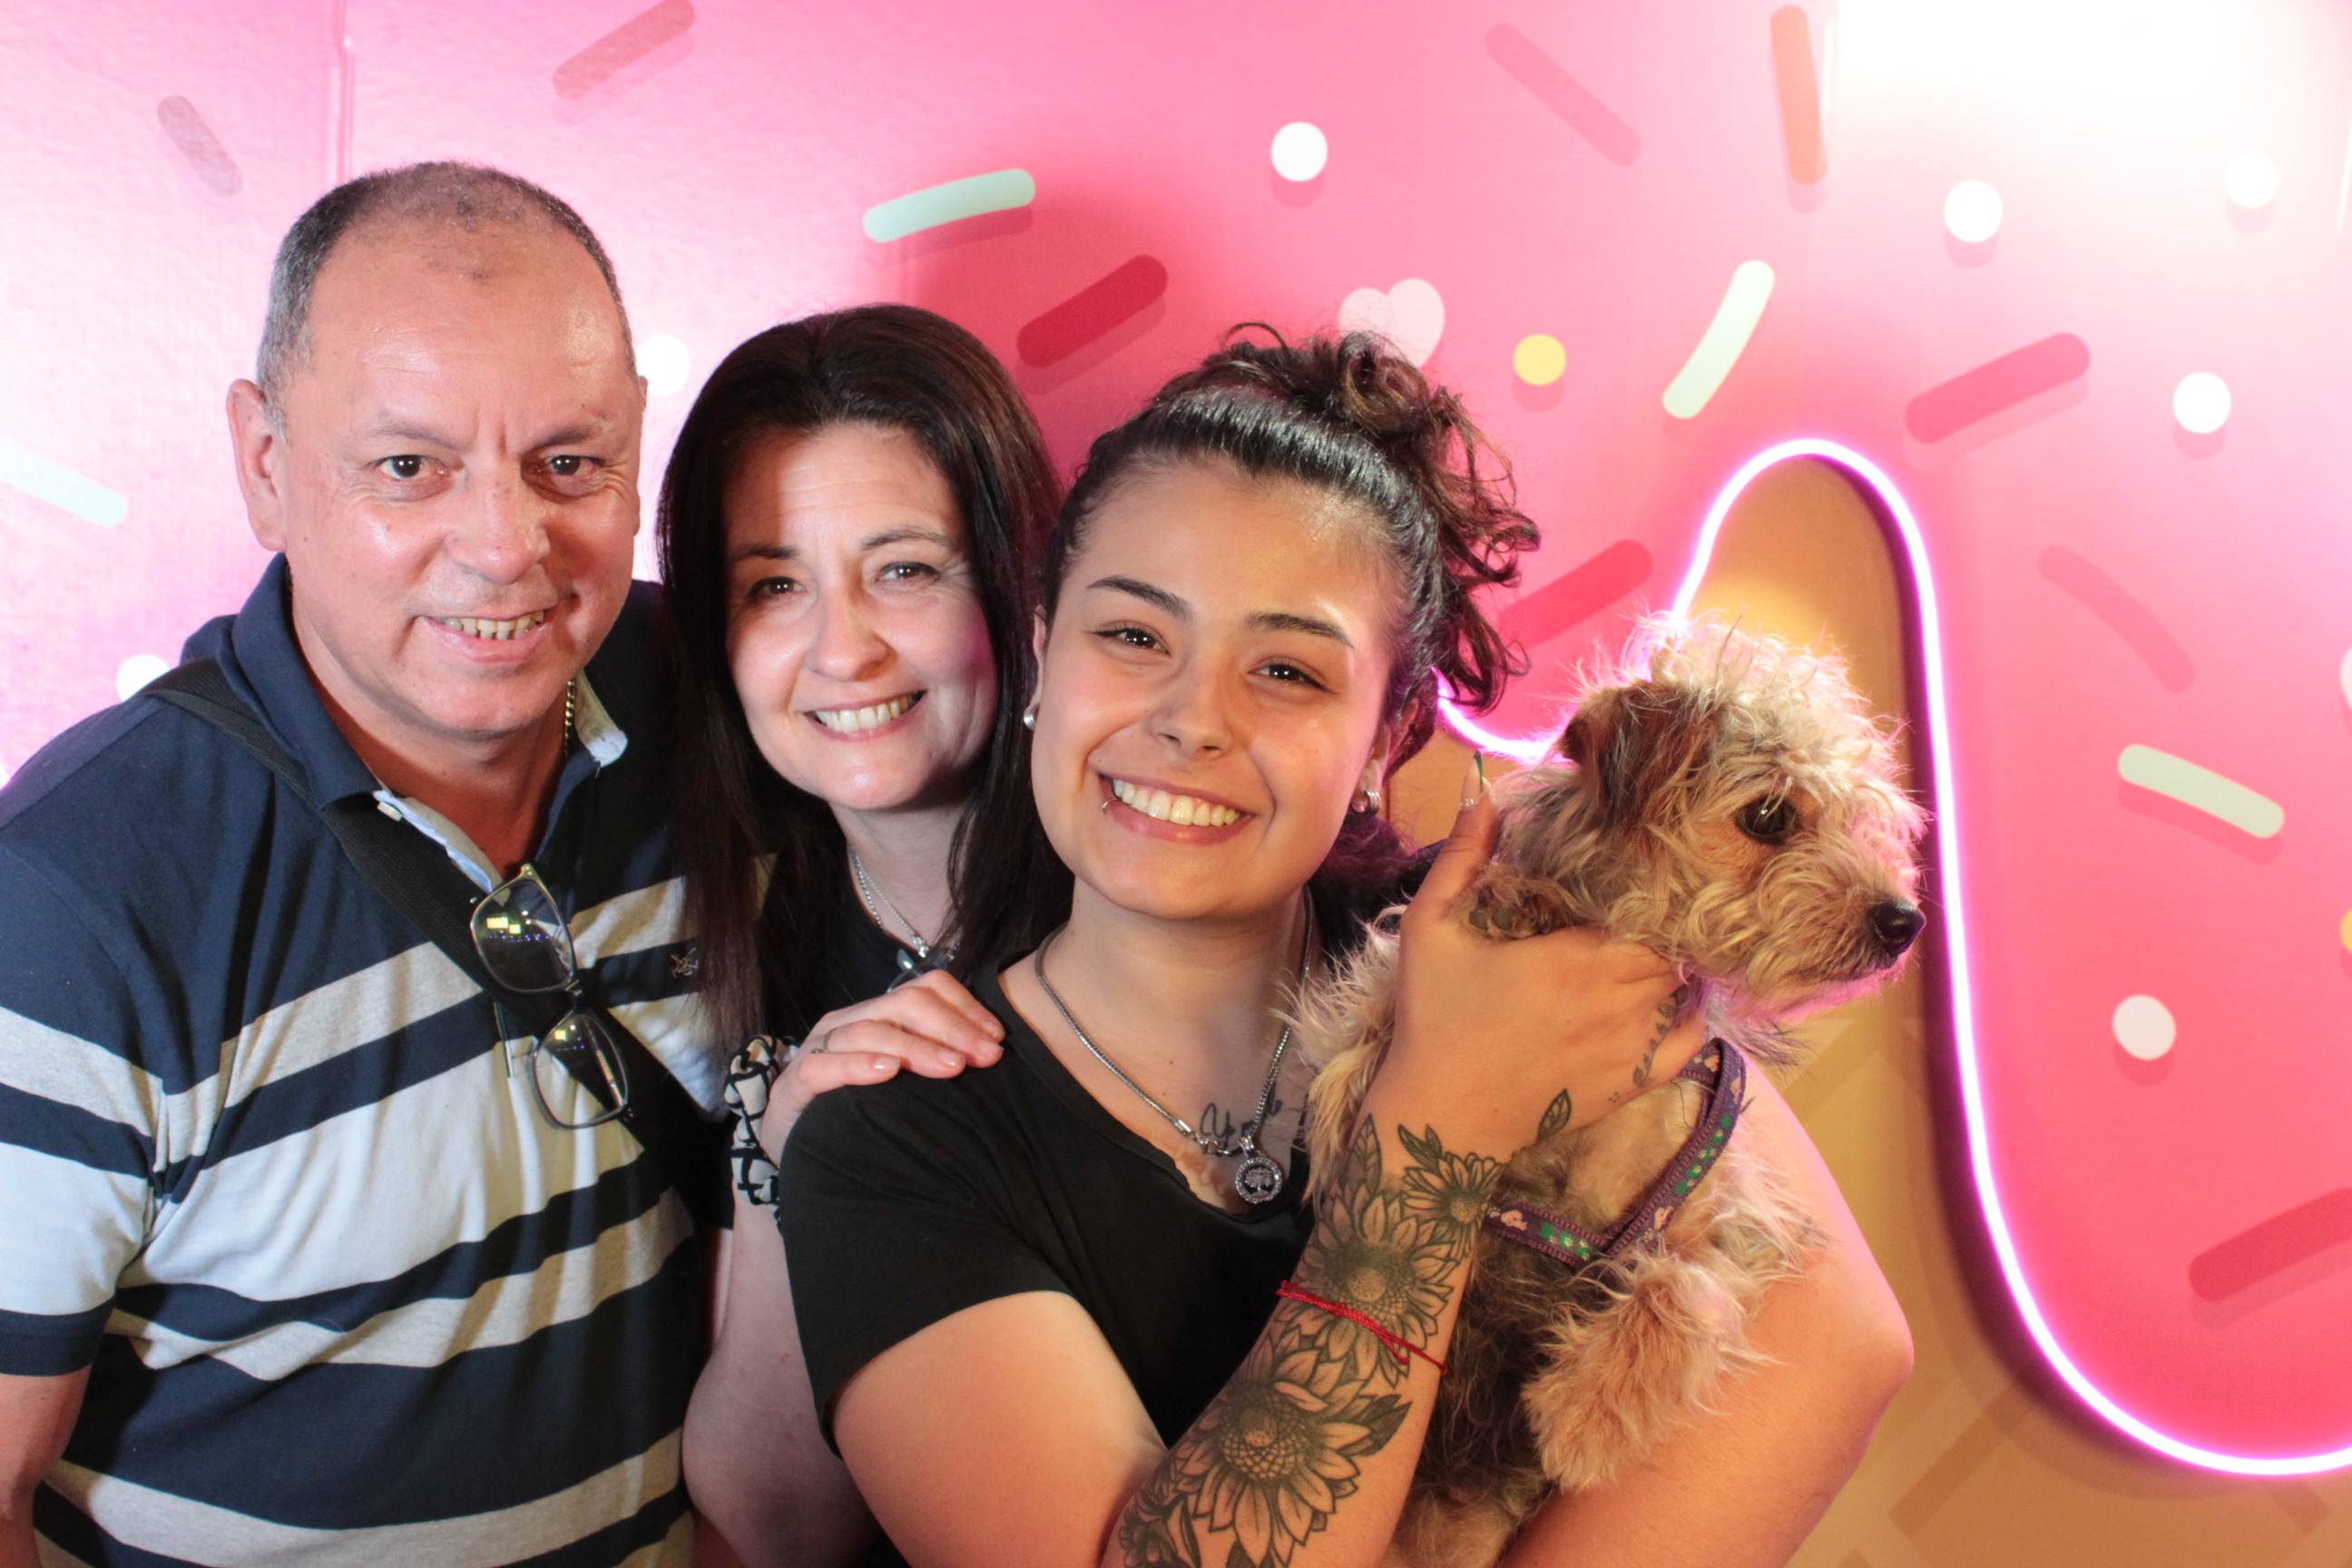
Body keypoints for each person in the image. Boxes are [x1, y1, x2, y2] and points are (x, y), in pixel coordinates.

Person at [776, 330, 1914, 1567]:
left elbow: (1832, 1339)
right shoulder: (892, 1140)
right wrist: (1440, 1123)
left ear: (1388, 734)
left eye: (1286, 670)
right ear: (1046, 650)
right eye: (1136, 637)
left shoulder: (1516, 936)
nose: (1192, 722)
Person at [0, 163, 719, 1565]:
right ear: (266, 465)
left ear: (639, 443)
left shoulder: (731, 708)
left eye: (569, 463)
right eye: (409, 467)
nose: (506, 547)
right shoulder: (76, 897)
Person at [660, 307, 1063, 1563]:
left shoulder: (1147, 903)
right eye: (775, 586)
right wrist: (791, 1162)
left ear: (1015, 587)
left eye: (905, 570)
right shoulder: (758, 949)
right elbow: (778, 1526)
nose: (844, 650)